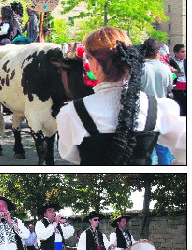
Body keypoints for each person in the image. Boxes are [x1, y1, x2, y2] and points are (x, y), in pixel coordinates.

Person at [56, 27, 186, 165]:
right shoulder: (161, 108)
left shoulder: (71, 113)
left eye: (88, 58)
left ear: (94, 64)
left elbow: (71, 155)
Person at [140, 38, 175, 164]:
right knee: (163, 149)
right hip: (162, 111)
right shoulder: (166, 69)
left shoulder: (139, 69)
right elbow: (170, 88)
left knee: (147, 150)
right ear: (157, 53)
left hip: (144, 113)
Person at [169, 43, 186, 115]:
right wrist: (175, 75)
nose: (185, 53)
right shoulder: (170, 63)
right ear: (176, 53)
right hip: (176, 90)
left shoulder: (186, 61)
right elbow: (169, 77)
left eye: (185, 51)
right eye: (182, 52)